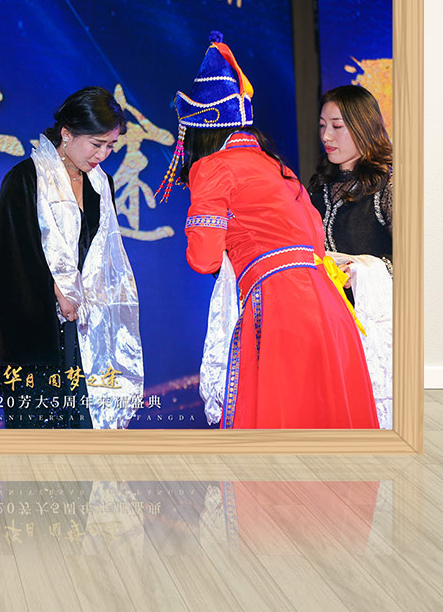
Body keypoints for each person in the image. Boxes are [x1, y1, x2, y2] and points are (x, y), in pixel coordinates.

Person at [158, 32, 378, 429]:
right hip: (330, 308)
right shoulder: (279, 168)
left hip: (279, 307)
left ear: (199, 132)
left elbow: (203, 258)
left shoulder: (212, 167)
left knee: (279, 432)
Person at [0, 86, 143, 429]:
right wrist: (56, 289)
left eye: (110, 146)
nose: (103, 154)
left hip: (86, 329)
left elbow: (103, 258)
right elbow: (6, 259)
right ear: (67, 133)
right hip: (38, 332)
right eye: (96, 144)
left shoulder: (101, 185)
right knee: (41, 441)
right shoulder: (26, 178)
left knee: (85, 432)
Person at [308, 84, 393, 428]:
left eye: (337, 126)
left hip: (376, 330)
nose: (326, 136)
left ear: (363, 126)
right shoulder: (318, 187)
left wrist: (364, 270)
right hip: (328, 327)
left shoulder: (389, 184)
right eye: (322, 126)